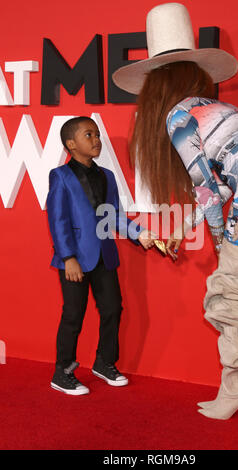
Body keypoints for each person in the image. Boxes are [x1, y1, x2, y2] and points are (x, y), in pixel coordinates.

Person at [112, 3, 238, 419]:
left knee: (233, 291)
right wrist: (194, 226)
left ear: (157, 84)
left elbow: (209, 190)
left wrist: (217, 240)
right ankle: (235, 385)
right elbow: (231, 177)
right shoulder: (209, 109)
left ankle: (236, 387)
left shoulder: (180, 116)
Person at [47, 116, 155, 396]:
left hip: (105, 255)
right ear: (71, 144)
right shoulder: (60, 176)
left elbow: (114, 215)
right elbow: (58, 220)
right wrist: (68, 257)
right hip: (74, 259)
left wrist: (139, 233)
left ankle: (104, 363)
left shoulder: (107, 175)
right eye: (88, 135)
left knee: (112, 309)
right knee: (73, 315)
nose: (96, 140)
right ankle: (63, 372)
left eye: (96, 134)